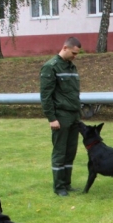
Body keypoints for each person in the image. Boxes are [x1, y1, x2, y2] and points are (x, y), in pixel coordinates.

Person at [40, 37, 83, 196]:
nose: (75, 56)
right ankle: (59, 187)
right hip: (61, 116)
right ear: (65, 48)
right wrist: (52, 118)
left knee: (71, 152)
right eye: (73, 53)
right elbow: (46, 96)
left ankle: (67, 183)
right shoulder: (50, 67)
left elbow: (73, 93)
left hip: (73, 116)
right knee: (60, 152)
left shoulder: (71, 67)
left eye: (77, 54)